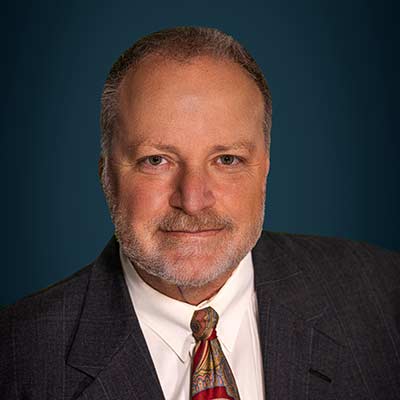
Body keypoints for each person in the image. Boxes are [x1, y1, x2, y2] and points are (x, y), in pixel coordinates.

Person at [0, 26, 399, 400]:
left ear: (265, 168)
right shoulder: (17, 359)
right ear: (105, 174)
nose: (192, 200)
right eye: (156, 160)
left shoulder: (384, 299)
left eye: (226, 159)